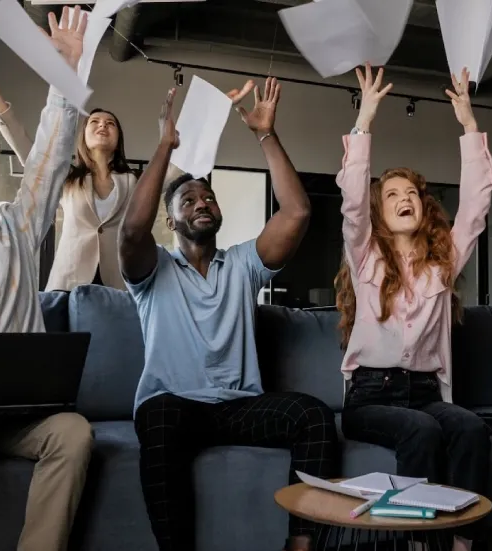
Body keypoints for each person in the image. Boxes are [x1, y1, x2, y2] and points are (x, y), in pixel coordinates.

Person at [119, 78, 338, 551]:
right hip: (174, 406)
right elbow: (132, 230)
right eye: (188, 200)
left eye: (208, 198)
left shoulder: (242, 264)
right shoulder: (152, 271)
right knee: (156, 417)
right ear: (171, 220)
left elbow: (297, 212)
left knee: (315, 416)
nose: (202, 202)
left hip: (238, 406)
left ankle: (301, 546)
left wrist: (265, 133)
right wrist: (165, 146)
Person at [333, 64, 492, 551]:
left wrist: (469, 125)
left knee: (469, 427)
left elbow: (477, 204)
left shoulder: (443, 259)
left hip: (425, 391)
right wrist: (365, 119)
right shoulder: (364, 251)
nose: (405, 199)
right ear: (379, 211)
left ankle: (462, 543)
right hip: (370, 396)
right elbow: (352, 202)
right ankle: (417, 543)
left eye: (412, 194)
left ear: (423, 207)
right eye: (392, 195)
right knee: (421, 431)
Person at [0, 7, 94, 551]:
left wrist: (63, 74)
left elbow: (48, 160)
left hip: (19, 417)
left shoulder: (15, 226)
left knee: (72, 431)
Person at [0, 78, 250, 291]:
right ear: (84, 135)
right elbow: (27, 148)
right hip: (68, 284)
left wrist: (216, 108)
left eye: (110, 123)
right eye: (95, 122)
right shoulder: (67, 179)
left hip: (119, 283)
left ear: (118, 139)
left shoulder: (134, 182)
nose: (103, 126)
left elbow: (179, 155)